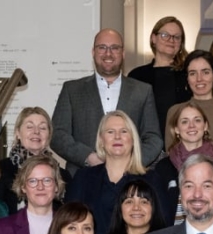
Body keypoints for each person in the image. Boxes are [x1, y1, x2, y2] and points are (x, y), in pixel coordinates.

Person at [51, 28, 164, 169]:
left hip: (129, 180)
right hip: (82, 178)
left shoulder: (143, 91)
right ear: (93, 52)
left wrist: (132, 164)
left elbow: (153, 138)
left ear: (123, 53)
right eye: (102, 47)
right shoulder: (71, 90)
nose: (108, 53)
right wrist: (88, 157)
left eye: (114, 48)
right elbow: (57, 135)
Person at [65, 111, 149, 234]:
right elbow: (69, 225)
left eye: (123, 131)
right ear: (101, 140)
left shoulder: (151, 180)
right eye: (110, 132)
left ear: (133, 139)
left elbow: (160, 232)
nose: (117, 137)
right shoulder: (82, 178)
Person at [147, 101, 213, 226]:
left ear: (205, 126)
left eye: (197, 120)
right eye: (184, 121)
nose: (191, 126)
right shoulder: (163, 167)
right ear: (176, 129)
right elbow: (158, 215)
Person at [0, 107, 74, 215]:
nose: (36, 131)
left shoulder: (63, 175)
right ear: (17, 133)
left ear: (49, 135)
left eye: (43, 128)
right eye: (30, 127)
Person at [166, 50, 213, 155]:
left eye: (205, 72)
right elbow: (170, 153)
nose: (199, 79)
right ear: (187, 78)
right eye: (193, 73)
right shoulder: (175, 111)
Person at [127, 16, 190, 136]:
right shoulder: (137, 76)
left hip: (181, 144)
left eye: (176, 37)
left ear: (181, 43)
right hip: (146, 145)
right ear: (153, 38)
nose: (171, 40)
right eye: (165, 35)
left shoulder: (188, 75)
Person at [103, 180, 167, 234]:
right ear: (120, 209)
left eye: (144, 202)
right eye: (129, 201)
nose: (136, 207)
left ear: (153, 208)